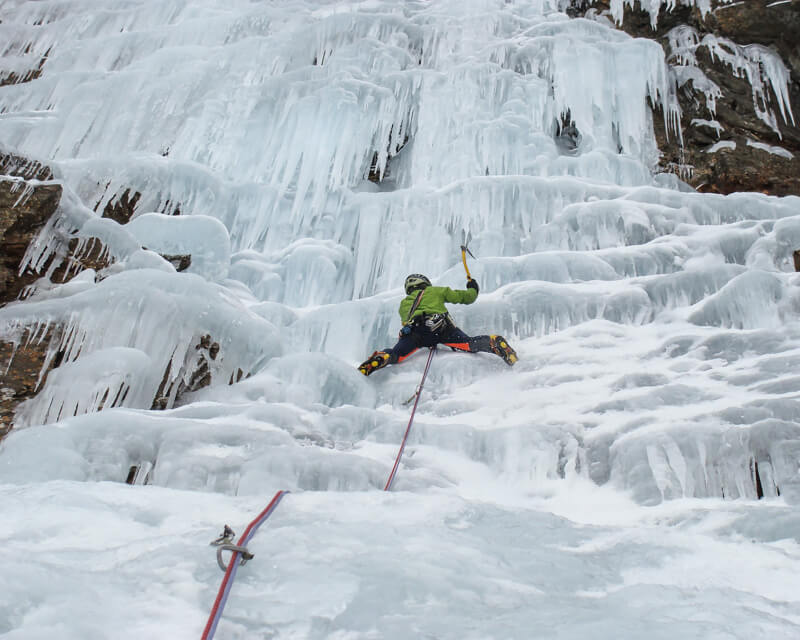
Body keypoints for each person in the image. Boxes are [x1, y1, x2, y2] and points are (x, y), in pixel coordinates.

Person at [358, 273, 518, 375]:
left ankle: (382, 357)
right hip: (440, 326)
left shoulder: (404, 303)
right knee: (468, 344)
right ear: (425, 283)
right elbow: (465, 298)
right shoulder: (435, 291)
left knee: (397, 355)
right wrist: (473, 288)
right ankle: (492, 342)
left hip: (415, 333)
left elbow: (405, 322)